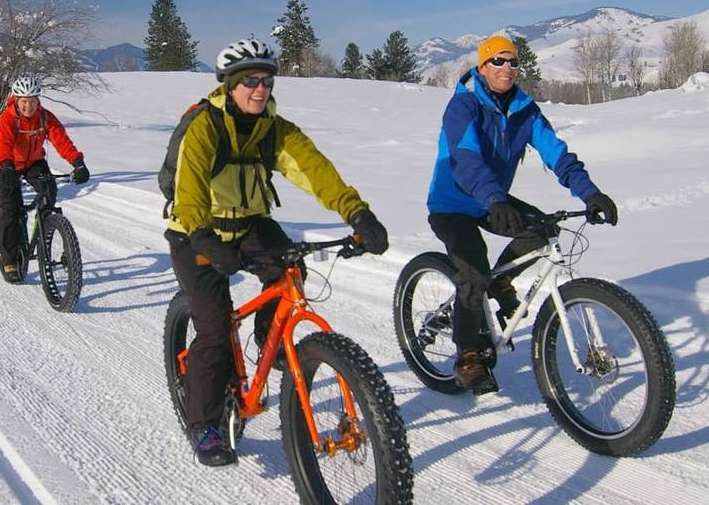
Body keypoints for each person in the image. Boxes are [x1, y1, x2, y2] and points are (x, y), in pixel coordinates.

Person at [164, 38, 389, 467]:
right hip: (196, 232)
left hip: (249, 224)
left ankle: (271, 340)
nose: (260, 89)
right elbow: (189, 193)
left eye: (266, 80)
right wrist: (206, 239)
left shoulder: (275, 129)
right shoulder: (206, 128)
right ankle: (204, 425)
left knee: (289, 267)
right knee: (213, 330)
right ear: (230, 85)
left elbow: (316, 172)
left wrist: (356, 213)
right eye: (249, 80)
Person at [426, 34, 618, 392]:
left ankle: (501, 281)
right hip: (453, 203)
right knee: (472, 268)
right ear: (483, 68)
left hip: (492, 198)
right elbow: (466, 160)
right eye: (498, 61)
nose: (507, 68)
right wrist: (495, 199)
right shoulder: (464, 107)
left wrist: (590, 193)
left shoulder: (525, 110)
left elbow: (557, 154)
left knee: (543, 230)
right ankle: (468, 354)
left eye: (513, 62)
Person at [0, 75, 90, 282]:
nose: (29, 106)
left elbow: (61, 140)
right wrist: (7, 165)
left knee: (49, 193)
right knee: (11, 207)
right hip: (8, 164)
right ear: (16, 100)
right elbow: (3, 144)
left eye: (33, 101)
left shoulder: (45, 117)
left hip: (34, 163)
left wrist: (77, 162)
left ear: (39, 100)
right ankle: (9, 258)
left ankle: (48, 229)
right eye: (24, 101)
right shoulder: (8, 118)